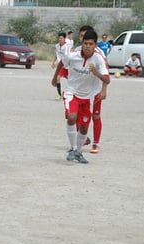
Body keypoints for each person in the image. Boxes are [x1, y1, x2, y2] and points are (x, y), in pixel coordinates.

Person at [51, 30, 110, 163]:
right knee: (72, 117)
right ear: (82, 43)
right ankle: (73, 148)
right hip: (72, 92)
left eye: (91, 44)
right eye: (85, 43)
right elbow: (62, 63)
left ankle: (78, 152)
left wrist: (96, 73)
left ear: (95, 45)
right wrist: (55, 77)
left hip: (89, 97)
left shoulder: (99, 58)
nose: (87, 46)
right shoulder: (73, 55)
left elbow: (107, 79)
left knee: (84, 127)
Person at [74, 25, 109, 154]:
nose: (85, 40)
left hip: (95, 91)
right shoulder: (77, 51)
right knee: (76, 115)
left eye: (87, 37)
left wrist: (104, 90)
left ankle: (96, 143)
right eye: (82, 36)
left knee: (95, 116)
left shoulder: (99, 54)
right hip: (80, 91)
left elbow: (105, 74)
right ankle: (82, 139)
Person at [52, 32, 70, 100]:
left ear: (64, 39)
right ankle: (59, 95)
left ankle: (66, 93)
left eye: (61, 38)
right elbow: (56, 54)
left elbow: (67, 56)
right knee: (58, 78)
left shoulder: (66, 47)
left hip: (67, 66)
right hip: (60, 67)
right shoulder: (57, 46)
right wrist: (54, 62)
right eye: (59, 38)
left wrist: (61, 63)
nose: (60, 39)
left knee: (71, 81)